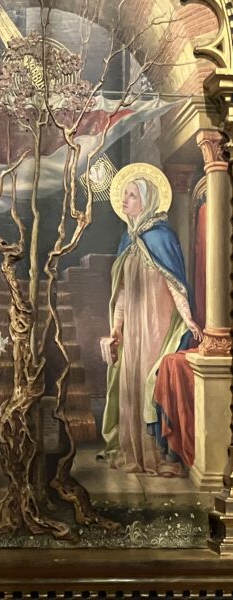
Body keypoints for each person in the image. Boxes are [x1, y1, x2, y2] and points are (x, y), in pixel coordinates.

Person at [101, 166, 202, 477]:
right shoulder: (127, 241)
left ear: (146, 201)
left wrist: (188, 318)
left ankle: (160, 456)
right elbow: (121, 294)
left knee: (151, 384)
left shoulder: (162, 237)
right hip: (133, 330)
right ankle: (134, 453)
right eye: (124, 195)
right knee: (131, 385)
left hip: (158, 327)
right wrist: (116, 328)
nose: (125, 201)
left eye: (131, 196)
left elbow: (175, 285)